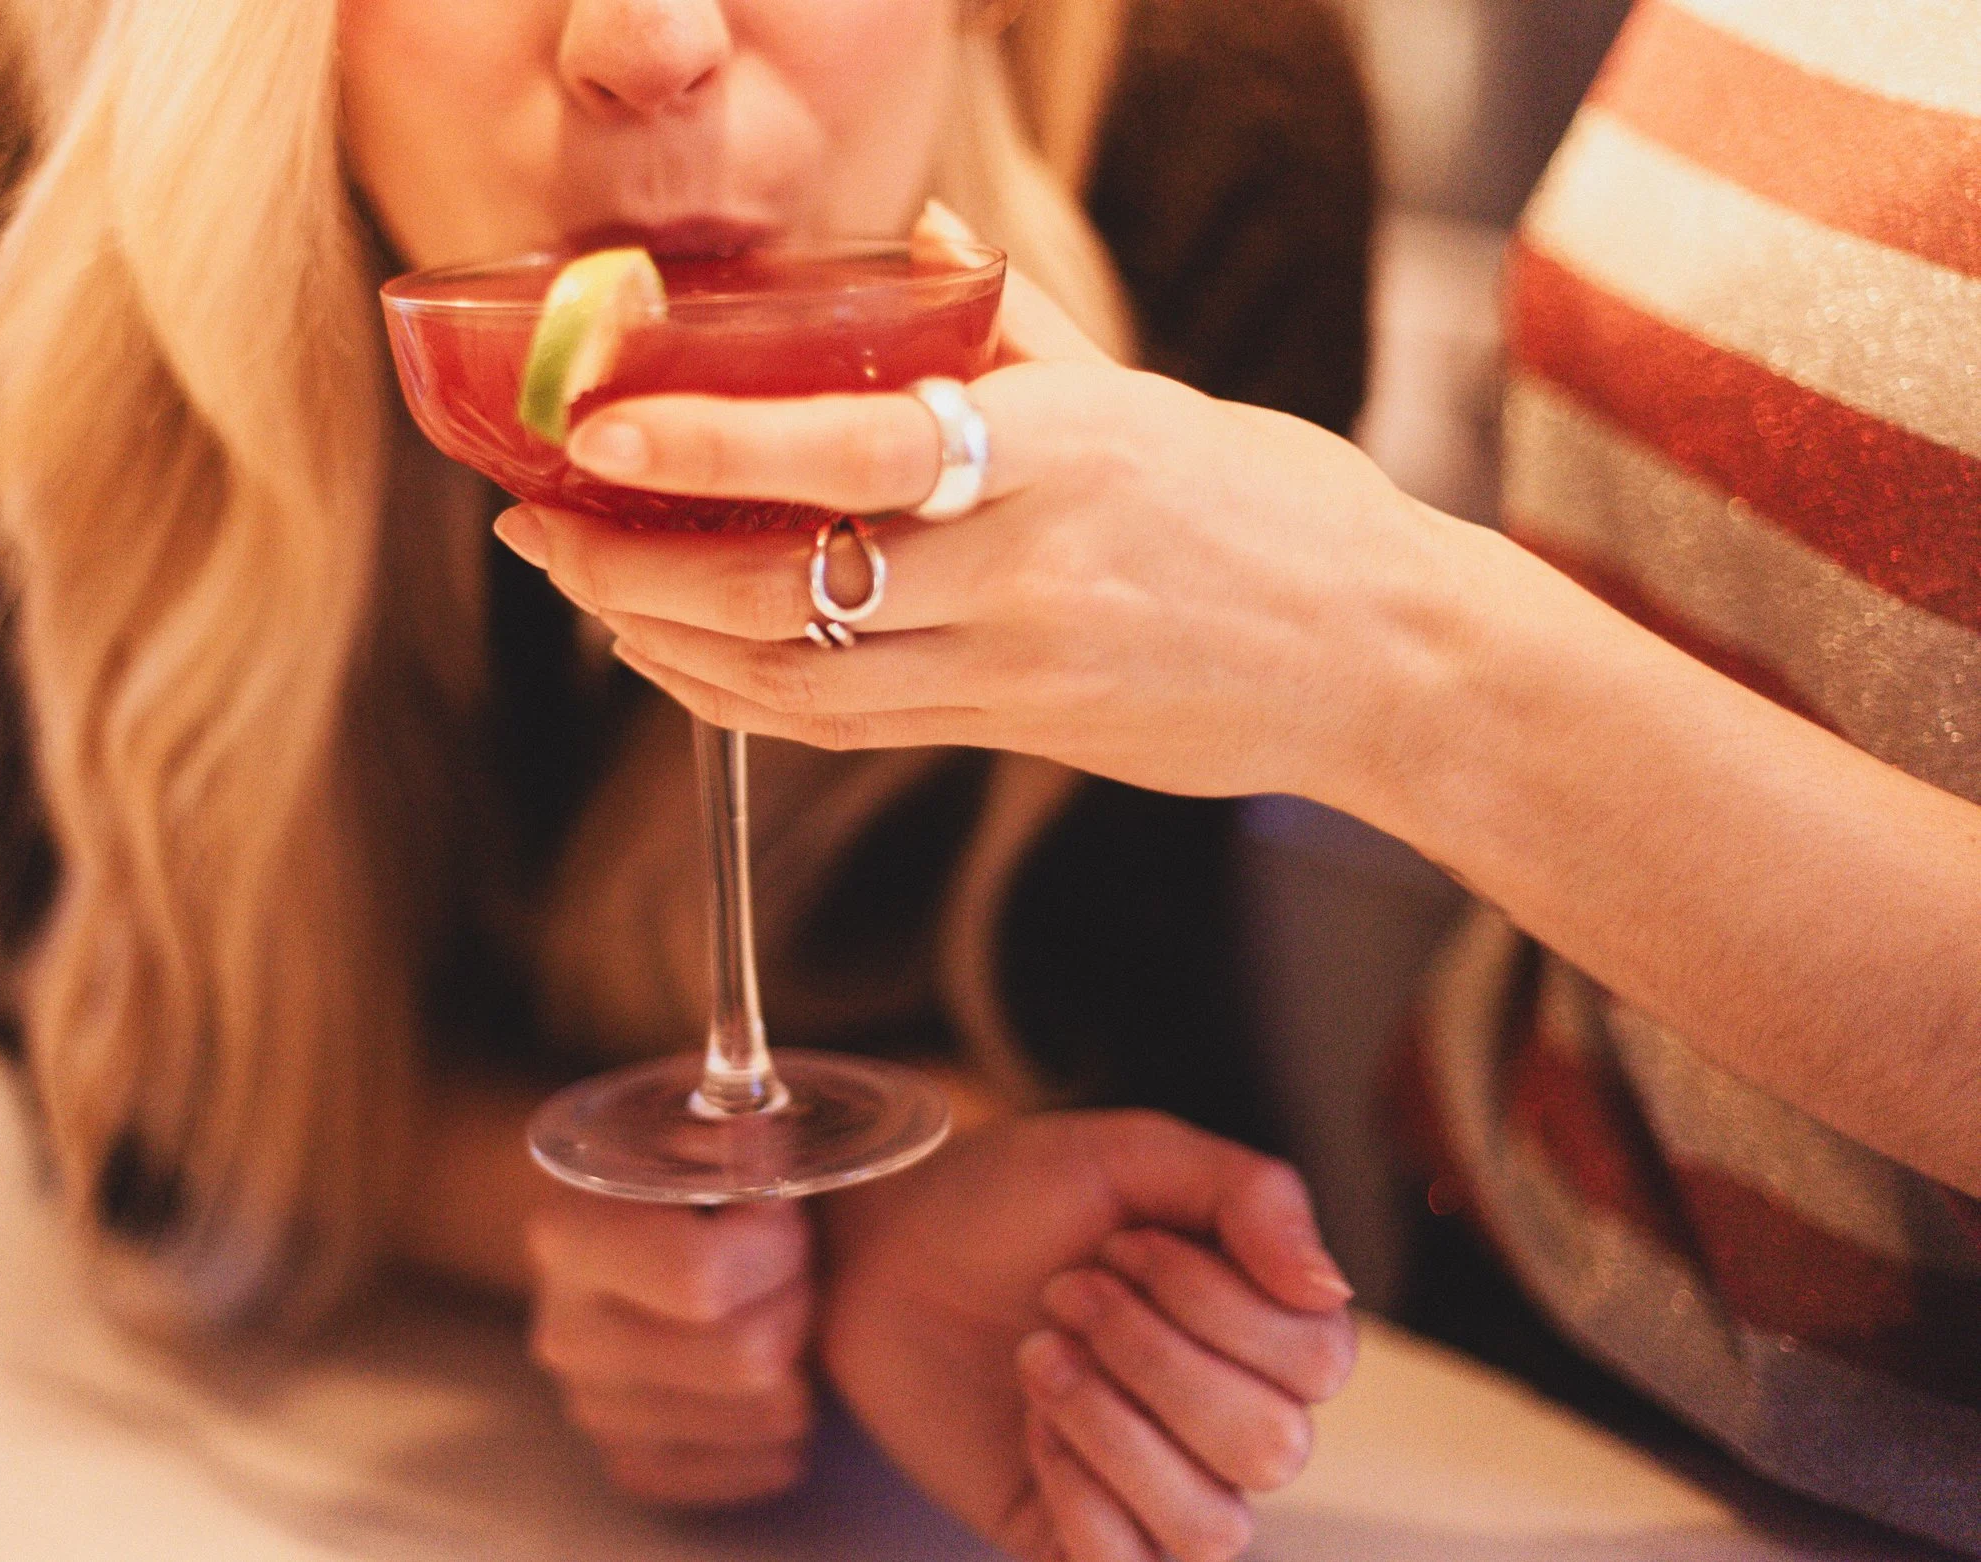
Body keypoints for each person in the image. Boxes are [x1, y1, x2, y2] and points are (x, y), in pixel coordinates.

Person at [0, 0, 1376, 1556]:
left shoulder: (1207, 134)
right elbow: (116, 1054)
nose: (649, 44)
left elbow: (1125, 1018)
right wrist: (598, 1222)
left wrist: (886, 1219)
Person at [508, 0, 1981, 1549]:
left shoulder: (1198, 144)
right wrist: (802, 1237)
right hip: (1507, 1377)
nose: (648, 39)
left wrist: (1392, 662)